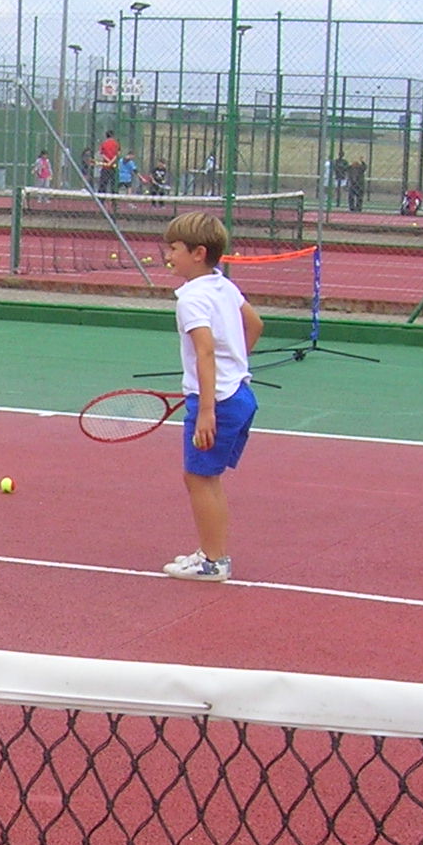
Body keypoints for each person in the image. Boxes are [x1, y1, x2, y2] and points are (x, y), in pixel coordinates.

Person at [160, 209, 264, 583]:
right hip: (240, 395)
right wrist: (235, 366)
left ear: (198, 253)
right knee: (206, 477)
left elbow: (204, 351)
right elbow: (256, 324)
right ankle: (212, 553)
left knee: (199, 478)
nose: (169, 255)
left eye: (174, 248)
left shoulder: (190, 299)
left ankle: (213, 562)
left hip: (218, 402)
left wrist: (206, 410)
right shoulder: (223, 286)